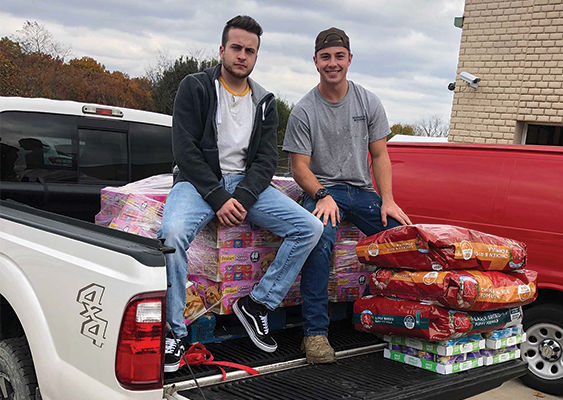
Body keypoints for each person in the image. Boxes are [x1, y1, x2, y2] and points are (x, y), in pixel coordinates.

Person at [159, 15, 323, 373]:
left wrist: (243, 199)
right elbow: (184, 149)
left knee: (310, 228)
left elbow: (266, 159)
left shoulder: (264, 100)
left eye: (250, 50)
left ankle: (257, 304)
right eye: (236, 47)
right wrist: (219, 197)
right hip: (198, 183)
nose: (242, 55)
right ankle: (174, 332)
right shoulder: (196, 86)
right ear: (222, 50)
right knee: (170, 236)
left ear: (256, 56)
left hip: (248, 186)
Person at [283, 27, 413, 364]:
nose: (332, 63)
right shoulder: (304, 110)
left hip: (362, 191)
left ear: (350, 59)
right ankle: (314, 334)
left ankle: (380, 315)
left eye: (339, 56)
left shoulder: (368, 101)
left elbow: (380, 156)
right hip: (323, 190)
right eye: (325, 57)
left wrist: (387, 200)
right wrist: (322, 195)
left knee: (402, 239)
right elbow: (299, 167)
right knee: (319, 236)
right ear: (315, 61)